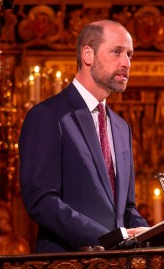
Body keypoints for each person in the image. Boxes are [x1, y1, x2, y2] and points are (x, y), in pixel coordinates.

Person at [19, 20, 149, 252]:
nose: (126, 63)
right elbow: (41, 200)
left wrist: (151, 235)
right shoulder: (48, 116)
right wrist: (106, 238)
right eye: (117, 52)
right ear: (88, 54)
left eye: (129, 55)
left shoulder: (121, 127)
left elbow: (127, 210)